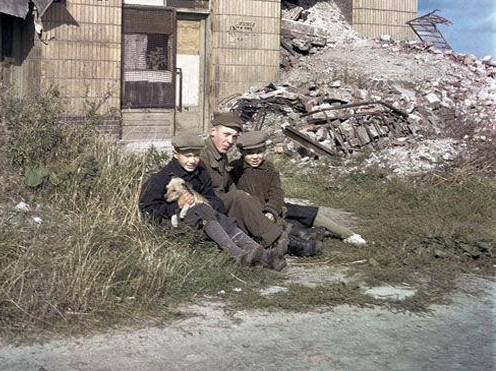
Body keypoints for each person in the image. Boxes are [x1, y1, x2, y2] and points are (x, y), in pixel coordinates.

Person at [138, 132, 287, 270]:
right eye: (187, 156)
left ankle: (264, 256)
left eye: (196, 156)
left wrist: (207, 204)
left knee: (216, 214)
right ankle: (238, 255)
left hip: (203, 221)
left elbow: (214, 199)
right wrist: (177, 205)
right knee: (203, 210)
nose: (192, 160)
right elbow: (148, 210)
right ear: (175, 154)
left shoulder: (200, 172)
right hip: (175, 224)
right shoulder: (160, 179)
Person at [231, 130, 367, 255]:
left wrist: (271, 210)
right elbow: (232, 194)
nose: (255, 157)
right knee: (282, 226)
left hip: (272, 207)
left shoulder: (269, 167)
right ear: (242, 153)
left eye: (259, 152)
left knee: (305, 212)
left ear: (265, 150)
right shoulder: (234, 168)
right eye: (250, 153)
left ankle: (347, 234)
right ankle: (306, 238)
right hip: (252, 213)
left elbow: (276, 192)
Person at [199, 111, 289, 255]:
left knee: (248, 198)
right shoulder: (201, 156)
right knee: (239, 197)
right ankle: (278, 239)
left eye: (234, 137)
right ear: (213, 131)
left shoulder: (220, 155)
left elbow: (226, 184)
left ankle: (281, 236)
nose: (230, 141)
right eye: (226, 134)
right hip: (208, 207)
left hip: (220, 203)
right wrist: (237, 195)